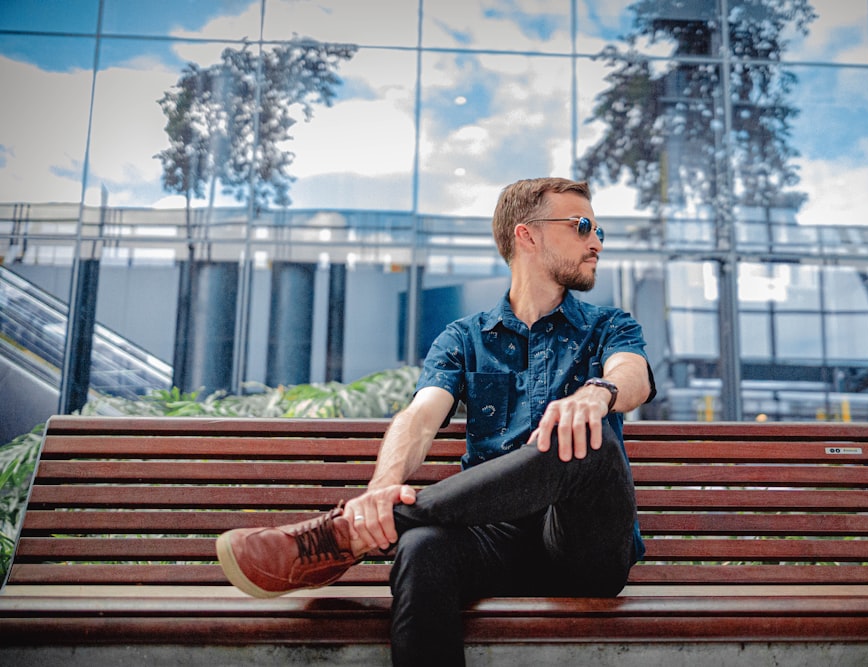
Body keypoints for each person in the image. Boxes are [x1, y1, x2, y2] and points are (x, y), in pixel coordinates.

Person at [216, 177, 655, 666]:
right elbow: (421, 416)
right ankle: (382, 522)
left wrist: (598, 393)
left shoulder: (608, 325)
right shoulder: (464, 338)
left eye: (599, 230)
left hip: (583, 551)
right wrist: (381, 489)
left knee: (587, 440)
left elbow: (632, 374)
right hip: (493, 540)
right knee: (422, 547)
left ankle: (347, 535)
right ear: (526, 235)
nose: (596, 242)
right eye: (581, 226)